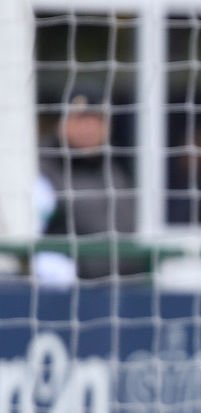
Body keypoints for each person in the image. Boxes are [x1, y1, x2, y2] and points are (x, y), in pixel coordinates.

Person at [37, 86, 138, 278]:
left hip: (121, 285)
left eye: (97, 121)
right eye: (81, 120)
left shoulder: (115, 169)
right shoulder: (41, 169)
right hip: (63, 291)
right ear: (62, 122)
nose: (89, 129)